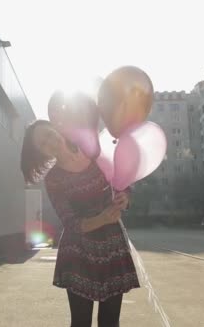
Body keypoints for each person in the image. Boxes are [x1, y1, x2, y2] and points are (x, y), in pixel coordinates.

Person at [20, 120, 140, 327]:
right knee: (81, 322)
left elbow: (122, 179)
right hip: (78, 252)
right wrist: (102, 218)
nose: (50, 141)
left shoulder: (93, 151)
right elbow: (70, 222)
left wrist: (125, 197)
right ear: (42, 153)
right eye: (42, 143)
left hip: (112, 245)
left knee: (110, 322)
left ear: (56, 129)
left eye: (48, 133)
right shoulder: (54, 179)